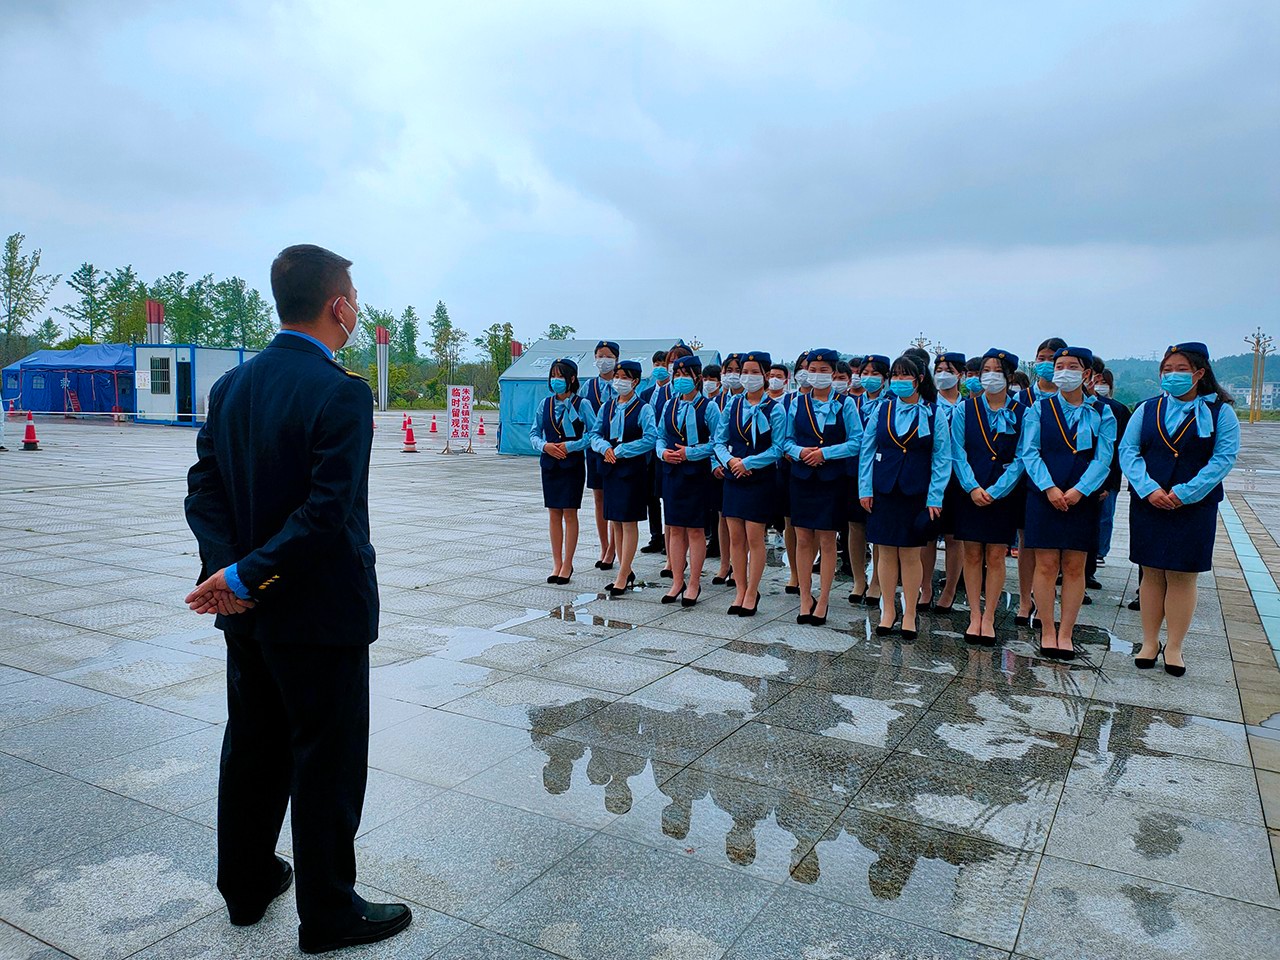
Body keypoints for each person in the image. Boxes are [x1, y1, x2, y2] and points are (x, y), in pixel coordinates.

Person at [184, 244, 411, 954]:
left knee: (252, 747)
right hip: (319, 612)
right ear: (339, 306)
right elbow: (326, 513)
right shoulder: (341, 392)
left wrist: (228, 573)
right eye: (354, 298)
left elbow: (204, 489)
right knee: (325, 761)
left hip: (247, 613)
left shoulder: (233, 386)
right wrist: (242, 576)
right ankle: (329, 912)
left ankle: (246, 884)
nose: (356, 309)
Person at [1120, 343, 1239, 676]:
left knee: (1183, 575)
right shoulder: (1146, 409)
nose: (1172, 375)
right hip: (1150, 502)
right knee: (1151, 572)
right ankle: (1149, 642)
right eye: (1167, 370)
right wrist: (1148, 488)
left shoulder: (1220, 412)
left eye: (1181, 369)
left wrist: (1186, 493)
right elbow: (1128, 451)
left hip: (1194, 506)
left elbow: (1223, 459)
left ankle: (1174, 646)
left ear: (1199, 373)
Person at [1019, 346, 1116, 660]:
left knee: (1075, 567)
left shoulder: (1102, 411)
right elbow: (1029, 452)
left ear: (1086, 373)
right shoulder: (1040, 408)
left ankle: (1066, 632)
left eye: (1072, 367)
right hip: (1044, 496)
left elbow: (1104, 457)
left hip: (1081, 500)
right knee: (1046, 565)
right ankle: (1047, 629)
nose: (1063, 372)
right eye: (1059, 366)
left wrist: (1079, 491)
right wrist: (1049, 488)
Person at [859, 354, 951, 640]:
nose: (898, 381)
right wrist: (865, 488)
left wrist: (935, 496)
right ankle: (888, 610)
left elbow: (942, 457)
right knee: (886, 552)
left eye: (904, 375)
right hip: (884, 490)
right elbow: (867, 449)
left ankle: (910, 612)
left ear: (919, 379)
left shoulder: (933, 413)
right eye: (895, 376)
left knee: (911, 555)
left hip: (916, 492)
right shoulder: (883, 409)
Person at [950, 349, 1026, 644]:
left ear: (1009, 376)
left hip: (1003, 494)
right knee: (971, 554)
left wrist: (996, 490)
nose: (990, 376)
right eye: (986, 370)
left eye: (997, 371)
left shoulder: (1023, 412)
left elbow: (1022, 457)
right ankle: (974, 614)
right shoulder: (965, 409)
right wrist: (971, 486)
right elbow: (957, 451)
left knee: (996, 555)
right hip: (970, 492)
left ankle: (990, 616)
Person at [784, 347, 863, 625]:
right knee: (803, 538)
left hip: (831, 480)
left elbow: (856, 441)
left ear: (833, 373)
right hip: (802, 478)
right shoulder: (797, 402)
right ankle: (806, 597)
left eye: (823, 371)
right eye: (813, 370)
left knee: (828, 540)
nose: (817, 375)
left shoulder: (845, 404)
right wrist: (800, 452)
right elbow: (786, 440)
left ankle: (824, 599)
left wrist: (825, 453)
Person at [713, 350, 786, 617]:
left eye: (755, 373)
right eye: (745, 372)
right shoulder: (732, 405)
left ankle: (753, 592)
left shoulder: (775, 409)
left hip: (760, 479)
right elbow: (718, 440)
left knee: (755, 537)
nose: (748, 377)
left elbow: (778, 448)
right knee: (735, 538)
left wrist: (749, 463)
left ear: (765, 376)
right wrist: (730, 460)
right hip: (734, 477)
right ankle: (740, 589)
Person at [589, 360, 658, 595]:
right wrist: (604, 447)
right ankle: (624, 570)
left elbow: (650, 438)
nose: (619, 381)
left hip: (631, 471)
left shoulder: (643, 408)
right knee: (616, 521)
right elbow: (595, 433)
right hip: (610, 470)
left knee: (628, 522)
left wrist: (622, 450)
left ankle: (623, 573)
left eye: (625, 377)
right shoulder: (607, 407)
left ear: (635, 381)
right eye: (617, 376)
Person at [656, 355, 721, 607]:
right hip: (673, 473)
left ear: (697, 377)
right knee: (675, 529)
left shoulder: (709, 407)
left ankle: (694, 582)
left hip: (697, 474)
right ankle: (677, 580)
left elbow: (717, 442)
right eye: (677, 374)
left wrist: (691, 453)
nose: (681, 379)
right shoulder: (670, 404)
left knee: (695, 530)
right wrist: (663, 452)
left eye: (686, 374)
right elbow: (660, 436)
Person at [533, 358, 595, 585]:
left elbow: (593, 433)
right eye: (553, 376)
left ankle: (568, 563)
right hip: (550, 465)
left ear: (572, 379)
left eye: (561, 376)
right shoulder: (545, 404)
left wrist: (572, 446)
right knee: (553, 513)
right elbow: (534, 433)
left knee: (570, 513)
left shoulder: (582, 404)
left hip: (572, 465)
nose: (556, 380)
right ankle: (556, 563)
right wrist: (545, 446)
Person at [924, 351, 966, 611]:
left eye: (948, 370)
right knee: (927, 535)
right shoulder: (928, 405)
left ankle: (950, 589)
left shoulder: (969, 407)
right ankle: (925, 586)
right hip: (930, 477)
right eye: (938, 370)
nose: (942, 375)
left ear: (960, 375)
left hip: (958, 480)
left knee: (953, 537)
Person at [580, 340, 620, 570]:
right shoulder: (588, 387)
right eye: (599, 356)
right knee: (599, 498)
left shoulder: (622, 384)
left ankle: (614, 547)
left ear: (616, 359)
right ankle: (604, 545)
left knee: (613, 497)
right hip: (594, 449)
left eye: (608, 356)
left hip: (616, 450)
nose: (603, 360)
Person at [1087, 364, 1131, 574]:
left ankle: (1098, 554)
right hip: (1076, 479)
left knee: (1104, 517)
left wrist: (1109, 482)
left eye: (1104, 382)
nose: (1099, 385)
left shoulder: (1116, 410)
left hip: (1108, 476)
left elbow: (1120, 448)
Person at [710, 352, 743, 585]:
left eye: (737, 370)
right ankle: (725, 564)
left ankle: (741, 566)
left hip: (745, 466)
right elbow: (714, 437)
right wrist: (716, 463)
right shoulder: (718, 401)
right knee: (723, 517)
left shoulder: (752, 400)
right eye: (728, 370)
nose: (732, 375)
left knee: (744, 521)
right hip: (722, 466)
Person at [638, 349, 672, 557]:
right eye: (656, 364)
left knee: (667, 495)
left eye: (663, 364)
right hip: (648, 453)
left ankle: (670, 538)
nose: (660, 368)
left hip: (666, 450)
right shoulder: (646, 393)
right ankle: (655, 536)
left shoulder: (674, 393)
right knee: (651, 496)